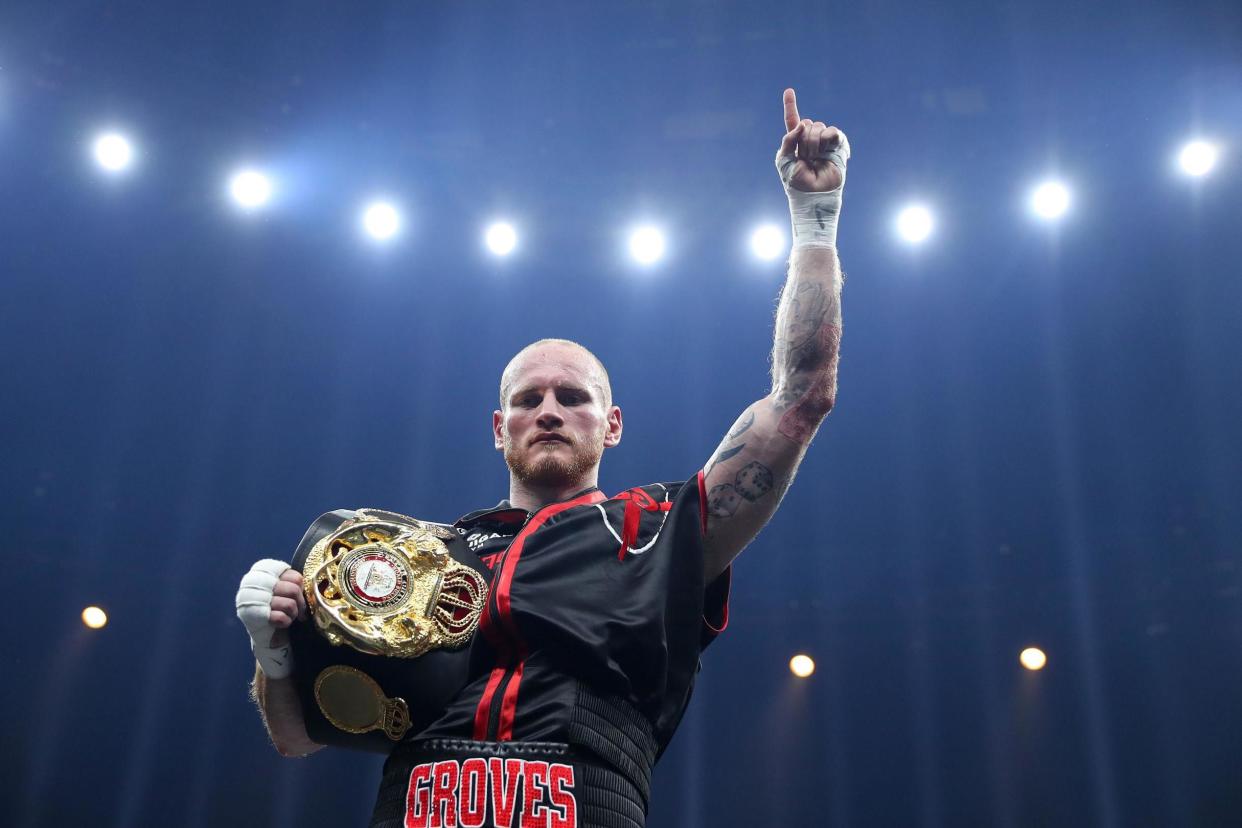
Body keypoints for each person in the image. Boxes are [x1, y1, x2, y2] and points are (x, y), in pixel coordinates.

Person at [235, 87, 849, 828]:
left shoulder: (658, 530)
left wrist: (815, 220)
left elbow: (801, 397)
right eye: (528, 400)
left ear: (612, 424)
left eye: (572, 396)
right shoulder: (423, 557)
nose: (549, 410)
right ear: (499, 428)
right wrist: (273, 649)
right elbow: (296, 734)